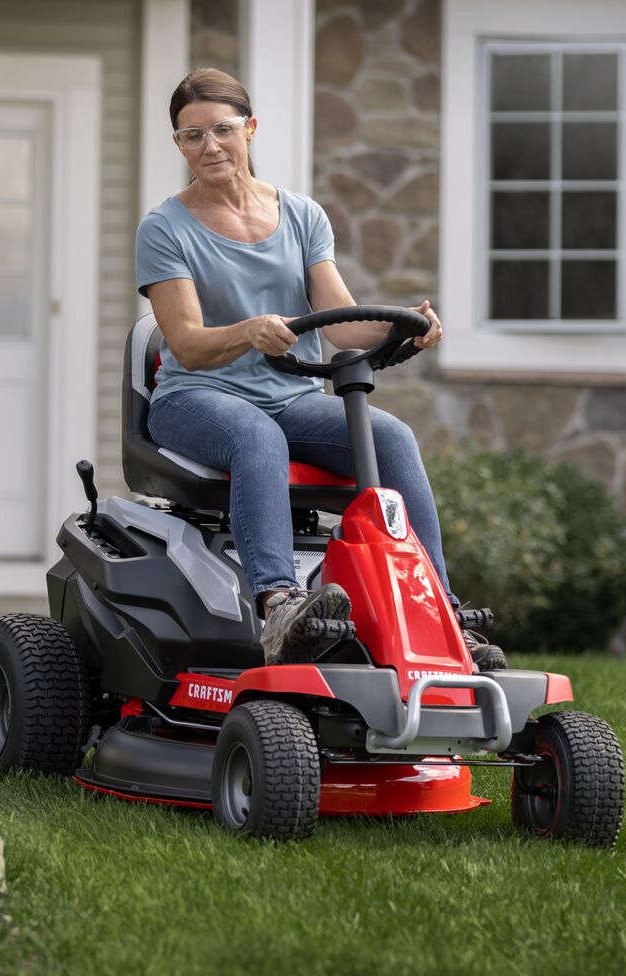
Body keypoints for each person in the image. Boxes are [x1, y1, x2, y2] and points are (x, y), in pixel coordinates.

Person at [135, 68, 505, 670]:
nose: (209, 146)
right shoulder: (164, 228)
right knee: (258, 436)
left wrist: (403, 326)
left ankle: (439, 612)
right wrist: (248, 331)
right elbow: (188, 344)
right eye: (191, 136)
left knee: (391, 436)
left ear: (250, 129)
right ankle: (280, 606)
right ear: (179, 144)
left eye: (222, 129)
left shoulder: (303, 216)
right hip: (194, 397)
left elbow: (341, 325)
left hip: (287, 396)